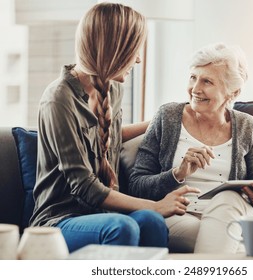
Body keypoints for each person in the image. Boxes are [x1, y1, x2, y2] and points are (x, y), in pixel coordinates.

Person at [29, 2, 198, 253]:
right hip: (60, 220)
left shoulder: (113, 87)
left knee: (150, 223)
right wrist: (154, 205)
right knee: (123, 227)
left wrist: (159, 121)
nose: (139, 59)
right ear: (112, 49)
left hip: (106, 213)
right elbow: (84, 186)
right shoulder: (58, 99)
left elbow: (109, 137)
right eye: (134, 50)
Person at [129, 43, 253, 254]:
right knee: (231, 236)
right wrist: (177, 173)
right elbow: (136, 185)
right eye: (193, 77)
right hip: (181, 216)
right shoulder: (167, 116)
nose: (195, 89)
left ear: (232, 91)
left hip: (234, 212)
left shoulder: (248, 126)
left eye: (207, 81)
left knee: (227, 200)